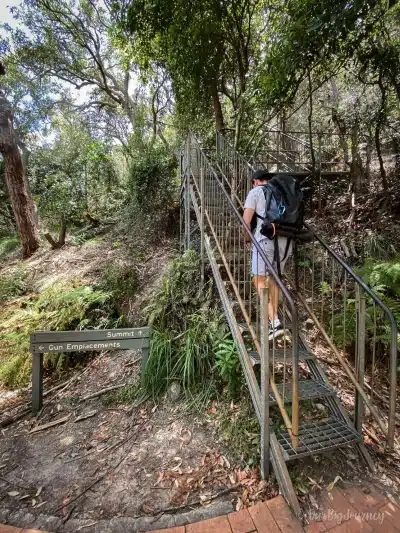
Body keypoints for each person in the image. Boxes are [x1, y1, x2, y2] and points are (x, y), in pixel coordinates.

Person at [243, 169, 293, 339]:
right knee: (274, 279)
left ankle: (274, 322)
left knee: (258, 280)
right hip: (286, 240)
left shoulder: (255, 191)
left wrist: (247, 239)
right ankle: (275, 319)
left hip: (264, 239)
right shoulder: (281, 191)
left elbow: (246, 220)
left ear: (255, 181)